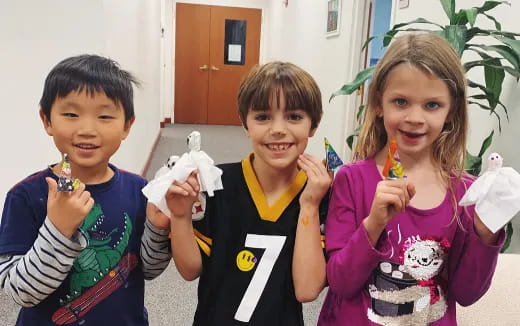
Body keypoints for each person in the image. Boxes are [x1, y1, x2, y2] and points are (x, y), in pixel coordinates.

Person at [318, 33, 505, 326]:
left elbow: (467, 293)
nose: (415, 117)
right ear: (379, 102)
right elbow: (340, 282)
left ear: (451, 110)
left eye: (432, 105)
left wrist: (486, 232)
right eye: (401, 101)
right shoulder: (352, 180)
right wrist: (373, 224)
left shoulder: (465, 192)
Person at [0, 55, 172, 325]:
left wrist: (157, 227)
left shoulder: (139, 190)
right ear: (47, 120)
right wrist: (57, 228)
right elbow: (22, 292)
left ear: (127, 125)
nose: (87, 130)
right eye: (70, 114)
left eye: (104, 116)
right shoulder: (26, 196)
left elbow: (148, 270)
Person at [167, 61, 331, 325]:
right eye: (263, 117)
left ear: (313, 125)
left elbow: (307, 289)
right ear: (245, 123)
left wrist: (310, 205)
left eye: (294, 117)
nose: (278, 129)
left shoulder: (320, 192)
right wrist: (180, 216)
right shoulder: (217, 183)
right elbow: (189, 270)